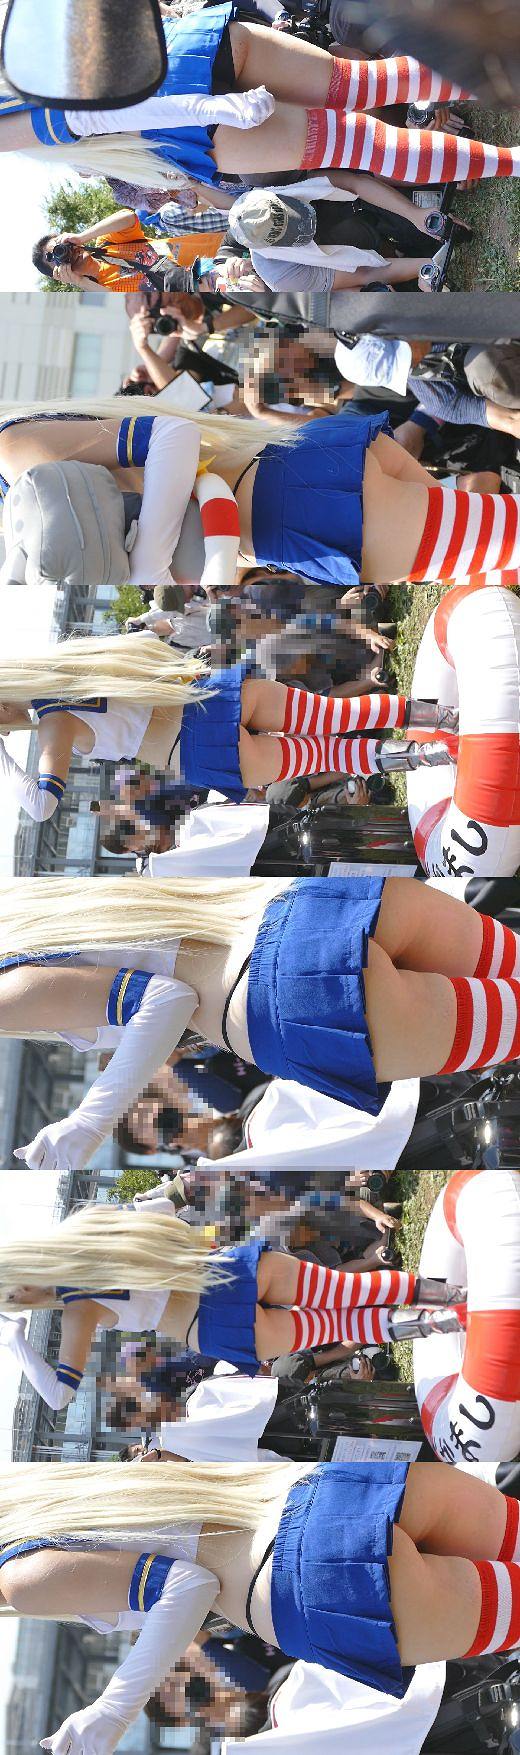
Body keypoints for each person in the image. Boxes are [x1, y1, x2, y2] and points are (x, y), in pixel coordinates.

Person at [3, 1457, 520, 1753]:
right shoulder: (41, 1494)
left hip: (311, 1582)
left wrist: (110, 1714)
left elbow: (189, 1584)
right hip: (322, 1494)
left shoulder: (19, 1579)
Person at [2, 875, 520, 1161]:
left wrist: (87, 1125)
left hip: (288, 1000)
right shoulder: (28, 907)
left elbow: (167, 998)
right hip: (305, 909)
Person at [1, 400, 519, 601]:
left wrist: (149, 566)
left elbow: (171, 436)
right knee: (496, 547)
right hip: (291, 498)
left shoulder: (11, 453)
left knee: (504, 541)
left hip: (295, 503)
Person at [0, 1202, 450, 1405]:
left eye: (10, 1290)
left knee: (343, 1322)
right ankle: (454, 1298)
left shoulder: (78, 1310)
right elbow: (165, 1211)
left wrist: (16, 1343)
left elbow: (59, 1396)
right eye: (9, 1299)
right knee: (348, 1293)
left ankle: (448, 1320)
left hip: (211, 1325)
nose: (18, 1299)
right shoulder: (89, 1224)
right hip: (222, 1273)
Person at [2, 16, 519, 192]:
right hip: (184, 59)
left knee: (363, 140)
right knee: (367, 90)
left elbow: (89, 114)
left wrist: (205, 110)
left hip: (184, 117)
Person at [33, 208, 226, 290]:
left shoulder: (106, 244)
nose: (65, 254)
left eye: (60, 247)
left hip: (220, 248)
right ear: (58, 274)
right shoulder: (98, 289)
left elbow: (129, 218)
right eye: (57, 258)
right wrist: (79, 282)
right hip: (217, 286)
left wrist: (82, 237)